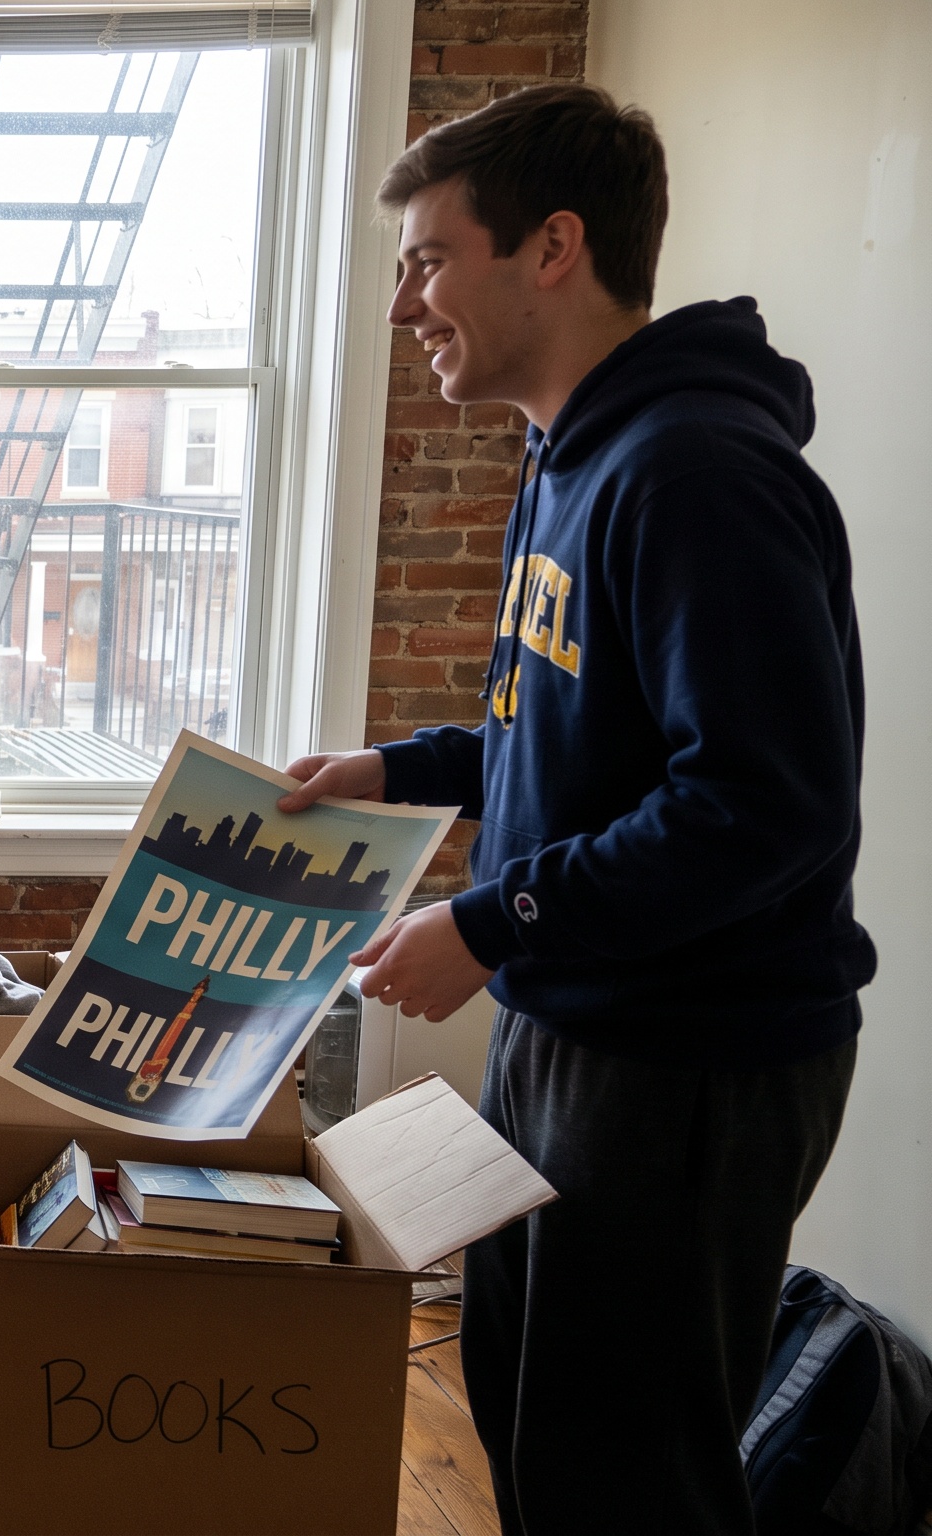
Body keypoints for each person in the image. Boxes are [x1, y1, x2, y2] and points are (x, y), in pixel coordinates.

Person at [281, 84, 872, 1536]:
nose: (408, 300)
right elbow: (560, 730)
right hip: (576, 1018)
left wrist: (484, 921)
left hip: (691, 1067)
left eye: (429, 257)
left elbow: (759, 802)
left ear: (552, 246)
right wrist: (392, 770)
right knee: (532, 1415)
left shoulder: (696, 473)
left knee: (632, 1478)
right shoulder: (568, 460)